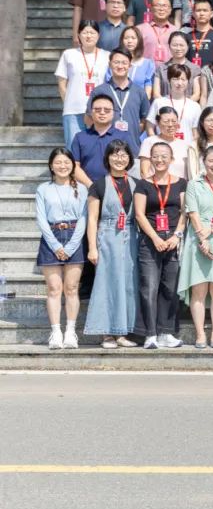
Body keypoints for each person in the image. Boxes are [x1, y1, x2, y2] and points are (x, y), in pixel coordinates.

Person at [177, 145, 213, 348]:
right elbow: (192, 212)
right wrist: (203, 238)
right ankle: (200, 334)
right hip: (197, 237)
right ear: (204, 162)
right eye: (211, 161)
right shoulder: (194, 184)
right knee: (199, 289)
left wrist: (212, 229)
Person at [83, 140, 139, 348]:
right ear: (107, 158)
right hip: (107, 235)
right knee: (106, 283)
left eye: (124, 155)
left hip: (131, 236)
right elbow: (92, 219)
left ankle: (122, 332)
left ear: (130, 158)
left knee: (128, 283)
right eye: (115, 154)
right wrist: (92, 247)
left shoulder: (136, 184)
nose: (119, 159)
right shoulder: (98, 185)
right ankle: (106, 333)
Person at [132, 141, 186, 350]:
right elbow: (139, 214)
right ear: (150, 159)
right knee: (149, 287)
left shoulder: (181, 183)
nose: (160, 160)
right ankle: (150, 334)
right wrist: (155, 238)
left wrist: (176, 236)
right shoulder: (143, 184)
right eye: (155, 156)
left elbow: (185, 213)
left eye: (164, 156)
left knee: (169, 288)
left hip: (173, 240)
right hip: (150, 240)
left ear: (172, 159)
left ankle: (166, 332)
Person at [35, 149, 88, 350]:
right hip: (51, 236)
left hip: (75, 236)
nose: (62, 166)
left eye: (66, 162)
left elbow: (84, 218)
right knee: (54, 288)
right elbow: (41, 218)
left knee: (71, 288)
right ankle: (56, 331)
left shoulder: (81, 189)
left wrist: (72, 245)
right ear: (51, 165)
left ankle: (70, 331)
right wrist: (56, 245)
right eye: (58, 162)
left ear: (73, 165)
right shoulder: (43, 189)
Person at [56, 19, 109, 148]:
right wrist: (68, 102)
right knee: (73, 149)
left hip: (99, 111)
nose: (88, 36)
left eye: (92, 33)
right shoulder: (69, 54)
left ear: (98, 35)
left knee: (97, 148)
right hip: (73, 110)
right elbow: (62, 83)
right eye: (85, 32)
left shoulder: (107, 56)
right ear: (79, 35)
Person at [89, 48, 151, 155]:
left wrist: (133, 132)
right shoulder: (99, 91)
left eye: (124, 63)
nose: (120, 66)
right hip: (104, 150)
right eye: (116, 62)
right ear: (110, 64)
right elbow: (89, 118)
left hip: (132, 150)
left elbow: (144, 120)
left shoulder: (139, 92)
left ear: (130, 65)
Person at [70, 94, 136, 188]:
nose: (102, 112)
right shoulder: (80, 137)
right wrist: (91, 186)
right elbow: (74, 165)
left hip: (116, 188)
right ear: (91, 112)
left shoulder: (124, 136)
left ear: (113, 113)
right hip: (86, 187)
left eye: (107, 110)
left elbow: (130, 164)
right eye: (97, 110)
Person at [138, 106, 190, 179]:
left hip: (180, 185)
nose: (170, 125)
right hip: (155, 185)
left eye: (174, 121)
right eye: (166, 121)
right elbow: (144, 172)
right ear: (157, 123)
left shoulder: (185, 145)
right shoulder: (149, 142)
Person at [152, 32, 204, 103]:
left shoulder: (195, 69)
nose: (178, 48)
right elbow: (156, 94)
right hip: (165, 107)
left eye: (181, 45)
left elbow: (196, 94)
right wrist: (168, 106)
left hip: (187, 107)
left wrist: (183, 106)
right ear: (169, 46)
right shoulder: (161, 68)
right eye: (175, 45)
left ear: (187, 46)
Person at [136, 0, 178, 65]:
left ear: (170, 10)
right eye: (158, 5)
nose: (161, 9)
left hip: (170, 70)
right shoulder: (139, 30)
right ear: (151, 9)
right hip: (146, 70)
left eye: (165, 6)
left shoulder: (176, 31)